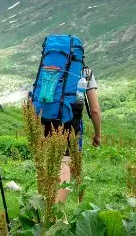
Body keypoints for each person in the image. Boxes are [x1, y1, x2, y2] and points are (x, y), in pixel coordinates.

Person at [43, 66, 102, 202]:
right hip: (69, 122)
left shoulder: (48, 64)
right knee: (64, 166)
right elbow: (95, 110)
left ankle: (47, 208)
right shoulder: (85, 72)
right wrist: (98, 135)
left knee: (49, 165)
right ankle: (55, 214)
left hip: (45, 119)